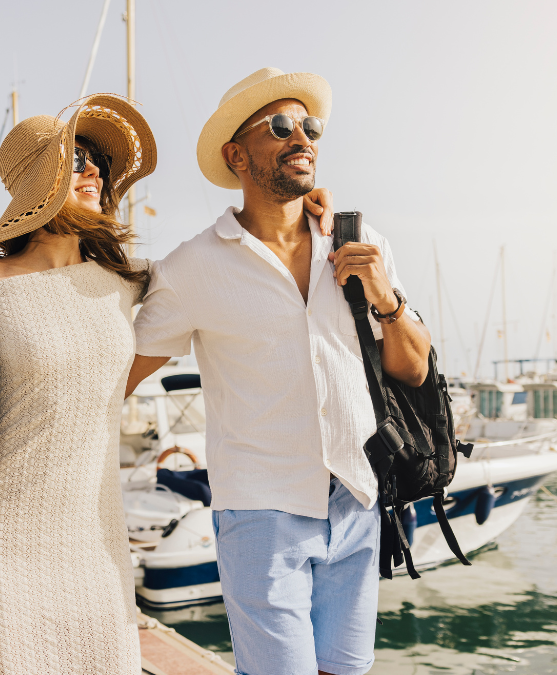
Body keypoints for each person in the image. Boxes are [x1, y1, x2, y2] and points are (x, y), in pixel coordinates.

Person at [0, 93, 337, 674]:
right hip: (0, 544)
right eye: (75, 160)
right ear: (38, 182)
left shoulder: (126, 280)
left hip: (98, 544)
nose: (93, 170)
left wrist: (307, 212)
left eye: (96, 160)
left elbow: (233, 257)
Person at [127, 68, 432, 675]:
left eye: (310, 125)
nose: (303, 137)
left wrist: (384, 297)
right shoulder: (193, 268)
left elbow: (415, 368)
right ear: (237, 155)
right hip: (261, 511)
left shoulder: (357, 240)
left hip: (356, 496)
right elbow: (117, 376)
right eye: (281, 126)